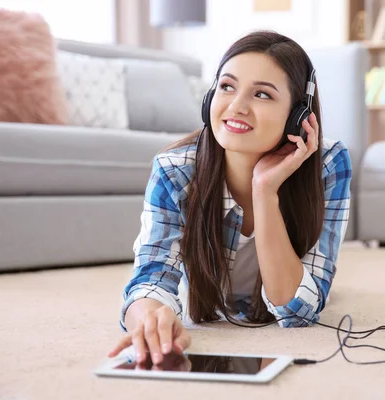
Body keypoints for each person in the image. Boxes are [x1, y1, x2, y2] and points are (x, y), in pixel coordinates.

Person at [108, 30, 352, 368]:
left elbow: (298, 311)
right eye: (227, 86)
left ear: (297, 115)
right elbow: (152, 278)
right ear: (210, 97)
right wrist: (150, 319)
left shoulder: (327, 164)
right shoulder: (175, 169)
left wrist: (265, 191)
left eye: (262, 94)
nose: (237, 106)